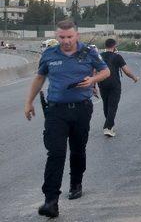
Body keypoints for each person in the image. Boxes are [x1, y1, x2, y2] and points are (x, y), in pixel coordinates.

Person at [23, 20, 110, 218]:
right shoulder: (49, 54)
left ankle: (76, 183)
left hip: (81, 110)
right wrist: (28, 102)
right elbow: (39, 78)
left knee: (78, 150)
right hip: (56, 111)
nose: (66, 41)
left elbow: (106, 71)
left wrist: (92, 80)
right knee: (55, 153)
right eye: (62, 37)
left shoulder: (88, 53)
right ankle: (51, 201)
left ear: (76, 35)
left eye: (69, 37)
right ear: (57, 36)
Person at [98, 38, 139, 137]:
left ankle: (110, 126)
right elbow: (126, 71)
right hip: (114, 84)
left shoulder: (99, 56)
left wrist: (93, 85)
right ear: (114, 46)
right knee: (112, 106)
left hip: (102, 83)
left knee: (106, 104)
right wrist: (134, 78)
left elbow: (94, 70)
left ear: (105, 46)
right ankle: (108, 127)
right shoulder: (117, 57)